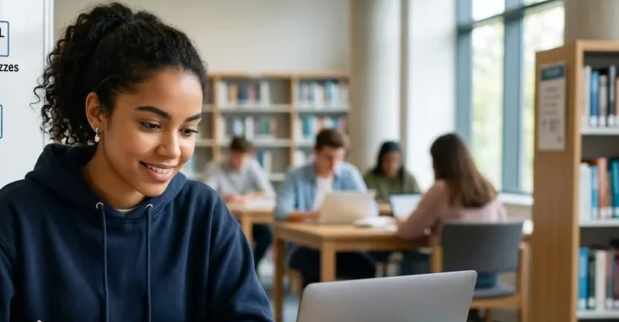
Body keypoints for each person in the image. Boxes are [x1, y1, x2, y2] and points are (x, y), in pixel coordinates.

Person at [0, 2, 281, 322]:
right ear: (98, 113)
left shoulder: (203, 213)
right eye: (151, 125)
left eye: (188, 130)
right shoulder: (18, 212)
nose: (172, 149)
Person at [395, 132, 507, 288]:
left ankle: (412, 312)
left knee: (408, 262)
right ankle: (473, 313)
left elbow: (408, 232)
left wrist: (401, 223)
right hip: (489, 277)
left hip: (451, 279)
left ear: (437, 162)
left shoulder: (441, 190)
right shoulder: (488, 188)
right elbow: (501, 224)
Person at [275, 128, 377, 286]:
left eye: (339, 158)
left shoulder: (349, 173)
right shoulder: (296, 175)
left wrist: (354, 213)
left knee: (366, 266)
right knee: (315, 268)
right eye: (328, 158)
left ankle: (355, 311)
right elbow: (280, 211)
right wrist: (316, 215)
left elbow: (371, 208)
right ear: (315, 152)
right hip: (303, 246)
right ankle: (316, 311)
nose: (334, 164)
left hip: (342, 246)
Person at [202, 137, 275, 269]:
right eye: (237, 157)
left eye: (244, 158)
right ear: (229, 153)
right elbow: (207, 194)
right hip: (225, 217)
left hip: (248, 216)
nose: (240, 162)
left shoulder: (252, 165)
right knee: (233, 236)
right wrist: (225, 197)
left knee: (267, 235)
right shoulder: (215, 166)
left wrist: (245, 197)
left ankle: (252, 266)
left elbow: (268, 192)